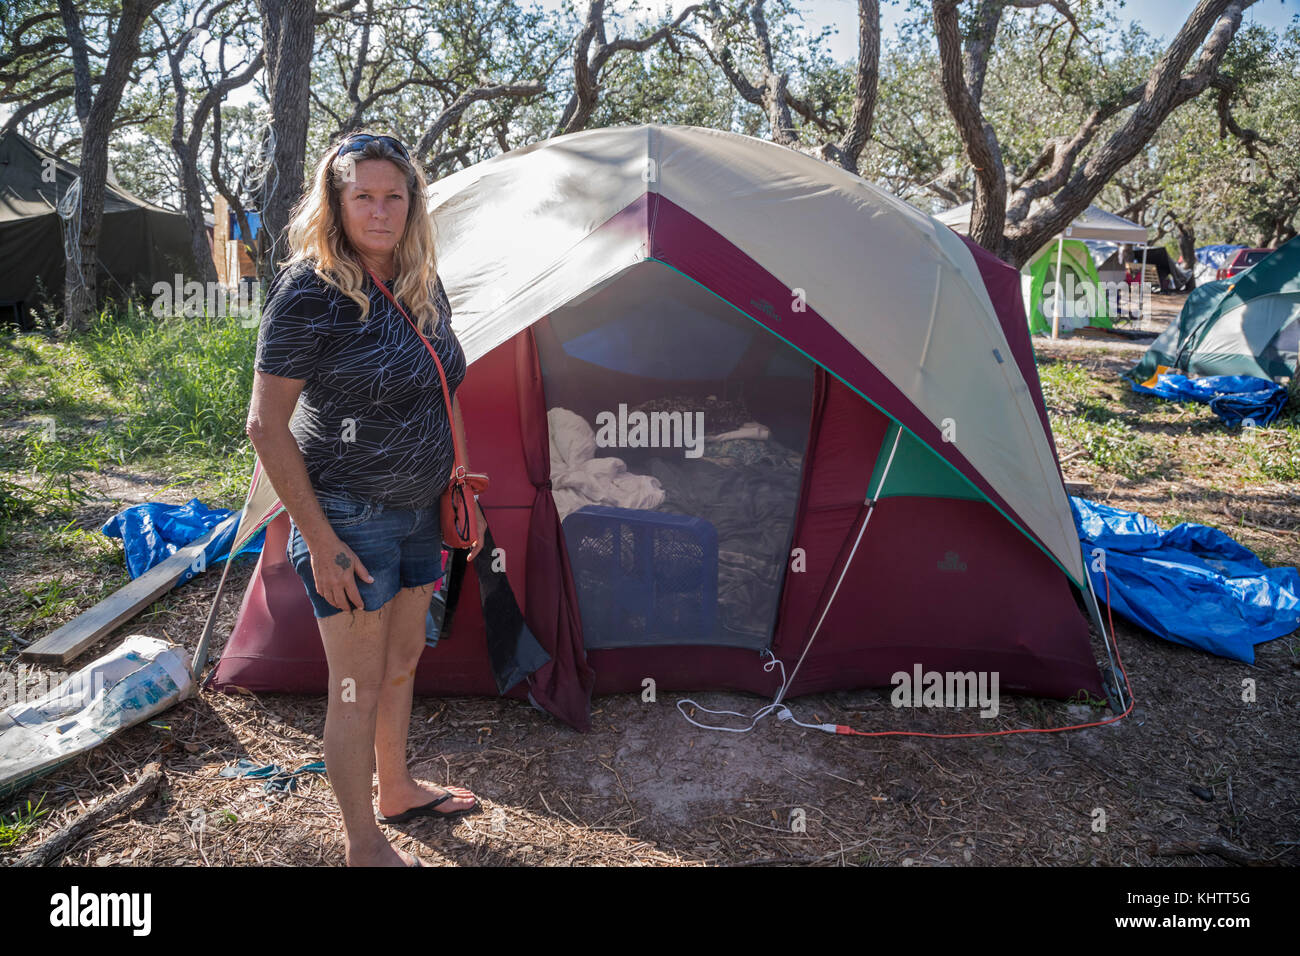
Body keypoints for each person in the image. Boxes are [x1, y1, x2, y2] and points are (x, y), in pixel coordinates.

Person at [245, 130, 485, 866]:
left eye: (394, 197)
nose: (380, 213)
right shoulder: (309, 292)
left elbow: (448, 387)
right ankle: (362, 843)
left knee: (403, 659)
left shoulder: (420, 278)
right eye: (363, 198)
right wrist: (319, 540)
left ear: (412, 204)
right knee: (354, 683)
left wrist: (460, 481)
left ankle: (397, 787)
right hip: (348, 514)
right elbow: (265, 424)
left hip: (419, 511)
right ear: (337, 203)